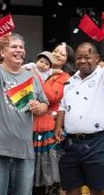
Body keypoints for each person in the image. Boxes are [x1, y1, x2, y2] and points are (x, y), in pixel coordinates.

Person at [54, 18, 104, 195]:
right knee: (71, 189)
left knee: (98, 190)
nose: (83, 60)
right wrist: (58, 125)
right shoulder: (70, 81)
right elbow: (63, 105)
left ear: (97, 58)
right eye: (79, 57)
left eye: (87, 56)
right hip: (71, 142)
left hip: (97, 142)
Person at [0, 33, 49, 195]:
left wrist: (39, 107)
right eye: (14, 46)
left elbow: (45, 103)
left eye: (21, 47)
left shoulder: (32, 77)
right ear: (3, 53)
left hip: (24, 151)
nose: (19, 50)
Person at [33, 43, 75, 195]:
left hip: (50, 127)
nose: (57, 54)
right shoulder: (44, 71)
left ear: (67, 60)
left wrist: (36, 76)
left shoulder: (65, 77)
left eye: (62, 54)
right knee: (34, 173)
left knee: (49, 175)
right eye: (55, 51)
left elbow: (52, 97)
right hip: (34, 125)